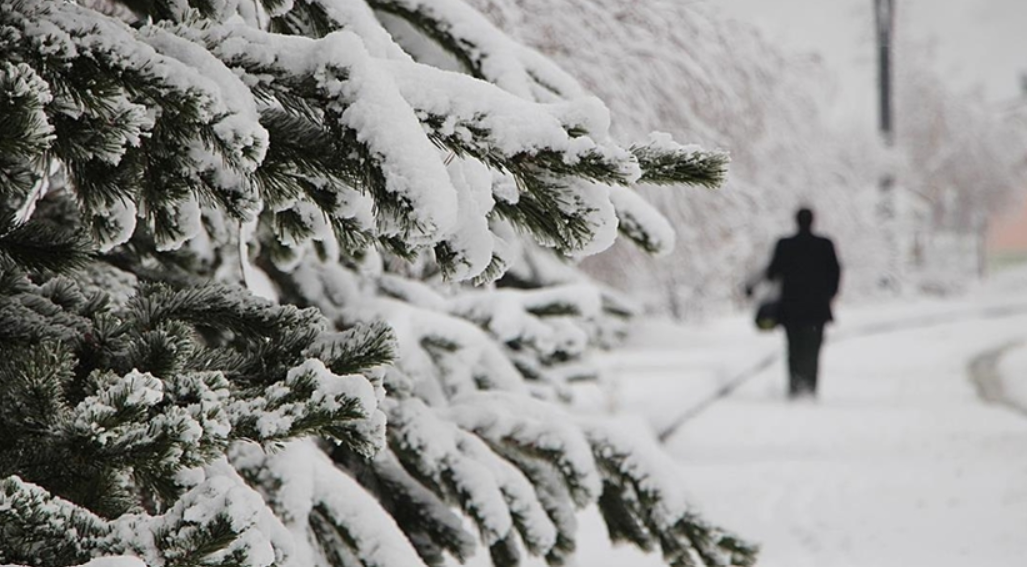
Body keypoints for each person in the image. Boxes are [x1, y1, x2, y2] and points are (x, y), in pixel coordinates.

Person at [750, 208, 841, 398]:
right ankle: (810, 386)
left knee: (794, 347)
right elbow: (835, 273)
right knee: (813, 349)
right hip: (817, 308)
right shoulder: (824, 245)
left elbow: (772, 272)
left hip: (791, 308)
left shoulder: (785, 245)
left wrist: (753, 286)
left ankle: (795, 386)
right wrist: (828, 295)